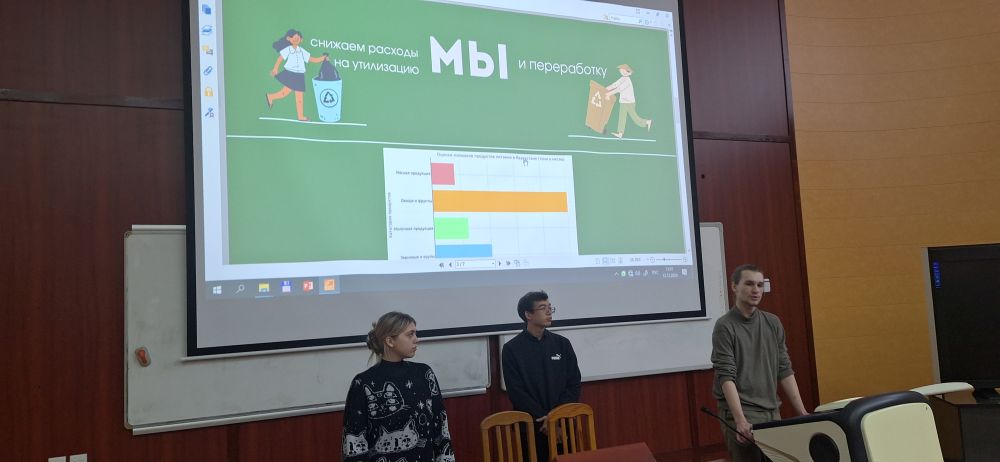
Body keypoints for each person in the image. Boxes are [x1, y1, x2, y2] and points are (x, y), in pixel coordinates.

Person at [711, 264, 809, 462]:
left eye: (759, 285)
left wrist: (802, 412)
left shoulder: (773, 322)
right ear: (734, 287)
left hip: (771, 410)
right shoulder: (725, 326)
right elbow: (726, 376)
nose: (755, 290)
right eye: (749, 284)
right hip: (743, 413)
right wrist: (740, 420)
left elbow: (785, 369)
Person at [342, 312, 455, 462]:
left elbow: (441, 427)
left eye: (415, 334)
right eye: (410, 334)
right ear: (390, 341)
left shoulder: (424, 374)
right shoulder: (363, 382)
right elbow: (354, 440)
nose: (416, 339)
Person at [501, 290, 582, 462]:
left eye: (550, 307)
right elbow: (516, 392)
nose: (549, 312)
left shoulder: (562, 344)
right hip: (532, 426)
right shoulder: (511, 349)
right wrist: (545, 419)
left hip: (563, 423)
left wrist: (556, 417)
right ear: (528, 315)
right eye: (543, 308)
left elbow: (574, 382)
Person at [266, 29, 328, 121]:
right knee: (287, 93)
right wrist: (275, 69)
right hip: (290, 73)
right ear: (289, 39)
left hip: (299, 75)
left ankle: (272, 97)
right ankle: (271, 97)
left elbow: (312, 59)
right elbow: (280, 58)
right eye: (293, 38)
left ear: (301, 39)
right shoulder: (288, 49)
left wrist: (322, 58)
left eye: (297, 38)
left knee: (294, 95)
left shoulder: (302, 51)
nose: (295, 39)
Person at [603, 64, 652, 138]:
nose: (623, 72)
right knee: (622, 117)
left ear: (629, 72)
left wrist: (608, 94)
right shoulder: (622, 78)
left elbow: (619, 89)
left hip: (629, 102)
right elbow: (615, 85)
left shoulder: (627, 81)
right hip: (623, 101)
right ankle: (620, 133)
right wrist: (605, 89)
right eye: (621, 70)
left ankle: (647, 122)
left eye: (625, 71)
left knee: (635, 118)